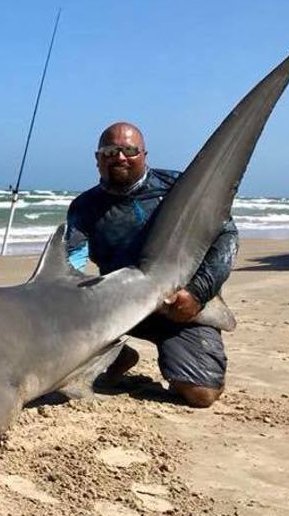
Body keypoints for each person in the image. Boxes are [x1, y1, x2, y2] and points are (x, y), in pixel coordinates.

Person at [65, 122, 238, 408]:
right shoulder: (84, 207)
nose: (120, 157)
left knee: (200, 395)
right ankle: (118, 356)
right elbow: (72, 262)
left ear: (144, 154)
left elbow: (226, 236)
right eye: (110, 151)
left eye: (129, 150)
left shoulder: (178, 189)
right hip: (120, 306)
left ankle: (180, 361)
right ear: (98, 159)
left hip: (180, 306)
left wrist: (199, 292)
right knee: (63, 313)